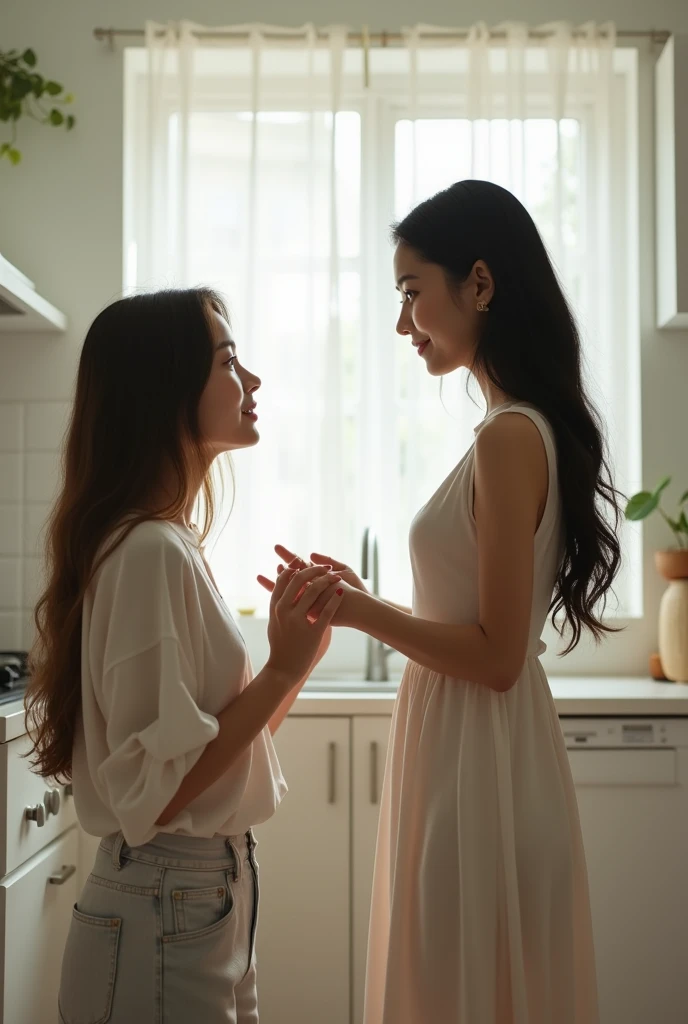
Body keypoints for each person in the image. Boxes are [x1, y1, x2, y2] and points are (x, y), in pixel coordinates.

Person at [261, 180, 622, 1024]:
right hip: (477, 756)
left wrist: (358, 612)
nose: (402, 324)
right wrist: (361, 598)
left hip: (478, 765)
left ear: (481, 285)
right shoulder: (518, 429)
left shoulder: (507, 438)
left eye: (411, 294)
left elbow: (495, 658)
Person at [24, 287, 344, 1024]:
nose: (252, 381)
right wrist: (282, 669)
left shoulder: (166, 543)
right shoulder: (149, 550)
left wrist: (296, 660)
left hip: (201, 896)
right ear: (164, 388)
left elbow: (215, 757)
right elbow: (155, 795)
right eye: (230, 361)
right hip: (166, 902)